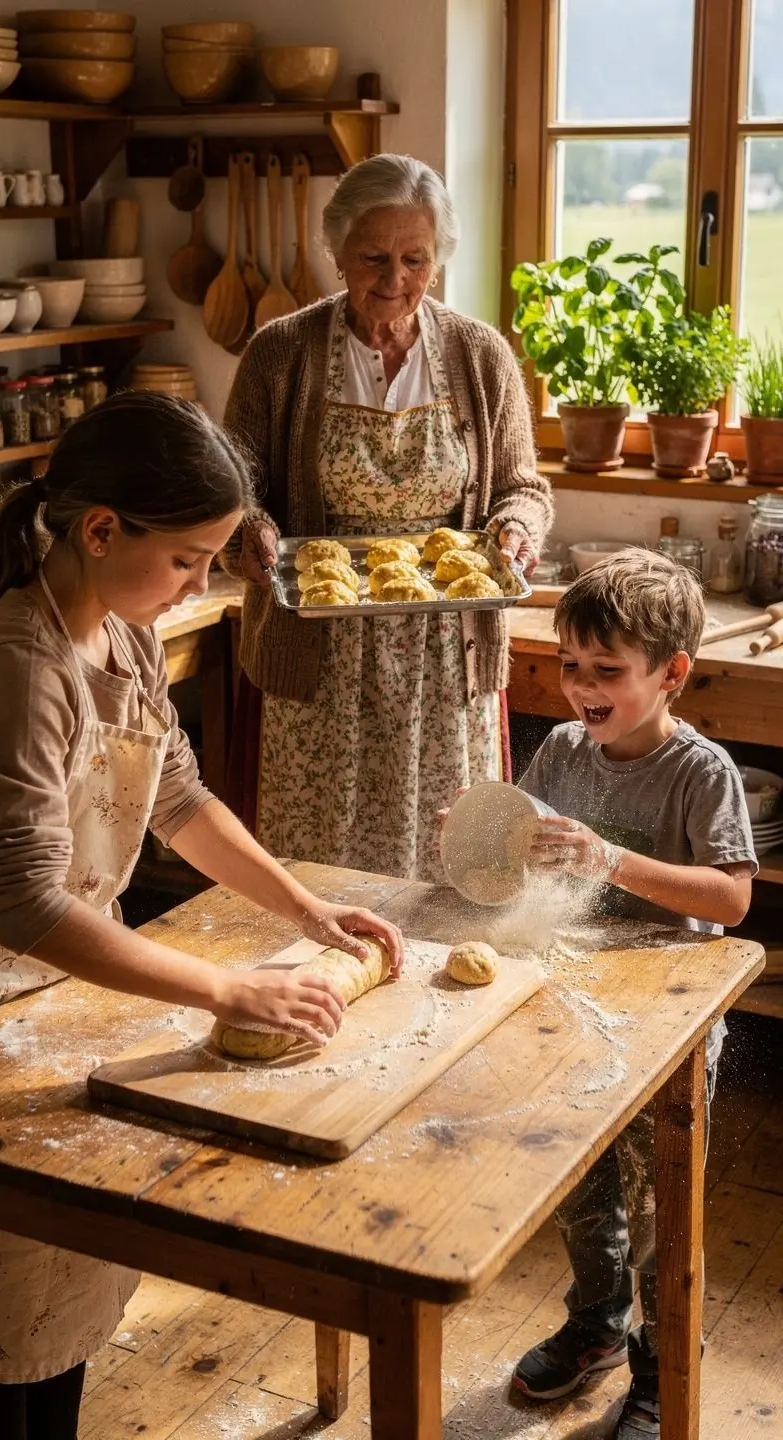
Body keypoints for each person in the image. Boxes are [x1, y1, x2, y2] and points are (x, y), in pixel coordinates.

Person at [0, 391, 403, 1440]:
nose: (201, 586)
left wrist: (307, 910)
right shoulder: (21, 664)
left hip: (63, 994)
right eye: (189, 561)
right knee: (0, 1335)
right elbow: (25, 904)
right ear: (101, 529)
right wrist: (230, 986)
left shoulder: (117, 633)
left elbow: (178, 799)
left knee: (51, 1320)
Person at [222, 152, 553, 882]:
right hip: (320, 655)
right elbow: (232, 486)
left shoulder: (479, 355)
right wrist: (247, 533)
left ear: (440, 258)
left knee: (447, 858)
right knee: (319, 862)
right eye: (373, 257)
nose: (395, 279)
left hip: (445, 655)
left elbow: (522, 486)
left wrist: (517, 531)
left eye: (415, 258)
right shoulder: (280, 353)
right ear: (335, 250)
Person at [510, 549, 756, 1440]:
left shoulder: (700, 772)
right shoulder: (564, 749)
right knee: (584, 1185)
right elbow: (518, 845)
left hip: (669, 1022)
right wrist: (484, 835)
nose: (581, 687)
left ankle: (659, 1361)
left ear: (672, 673)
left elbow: (732, 898)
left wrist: (609, 858)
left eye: (606, 670)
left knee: (659, 1207)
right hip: (577, 1008)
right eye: (570, 666)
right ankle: (597, 1326)